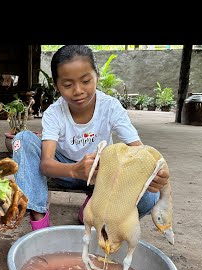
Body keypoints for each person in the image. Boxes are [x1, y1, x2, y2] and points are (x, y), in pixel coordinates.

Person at [12, 45, 169, 230]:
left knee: (150, 196)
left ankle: (97, 212)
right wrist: (75, 170)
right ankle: (40, 221)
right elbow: (46, 164)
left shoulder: (110, 107)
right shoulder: (54, 113)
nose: (78, 90)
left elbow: (139, 150)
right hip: (64, 170)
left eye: (86, 81)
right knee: (22, 139)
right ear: (56, 86)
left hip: (103, 175)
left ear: (97, 77)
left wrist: (152, 173)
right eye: (68, 85)